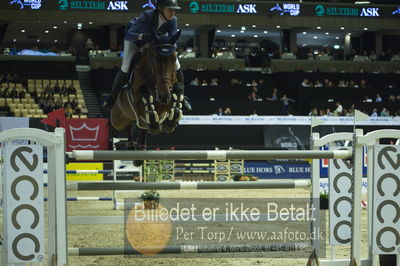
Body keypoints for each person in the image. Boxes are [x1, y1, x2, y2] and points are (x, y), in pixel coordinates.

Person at [110, 0, 191, 111]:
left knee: (176, 64)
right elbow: (129, 34)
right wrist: (141, 36)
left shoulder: (173, 20)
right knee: (125, 66)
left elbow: (172, 40)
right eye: (170, 9)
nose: (173, 13)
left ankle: (182, 97)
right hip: (136, 42)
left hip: (155, 44)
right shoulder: (147, 16)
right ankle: (112, 97)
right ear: (160, 9)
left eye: (174, 10)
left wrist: (171, 49)